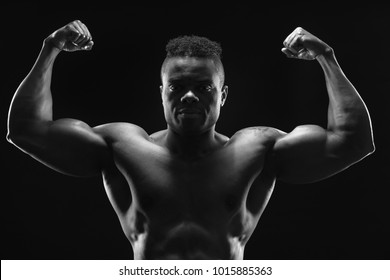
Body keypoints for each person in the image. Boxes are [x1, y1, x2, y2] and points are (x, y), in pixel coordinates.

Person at [7, 20, 375, 260]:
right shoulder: (124, 145)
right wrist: (50, 48)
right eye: (177, 87)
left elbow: (352, 141)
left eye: (203, 87)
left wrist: (326, 57)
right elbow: (27, 130)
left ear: (223, 94)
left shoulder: (256, 149)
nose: (188, 96)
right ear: (161, 92)